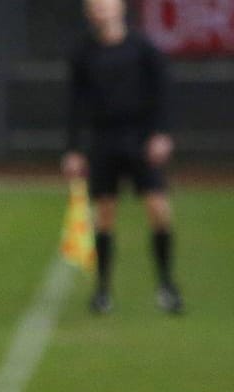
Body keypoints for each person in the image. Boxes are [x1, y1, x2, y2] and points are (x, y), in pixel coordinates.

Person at [63, 0, 182, 315]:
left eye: (105, 4)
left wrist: (161, 133)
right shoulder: (83, 53)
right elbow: (76, 103)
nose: (100, 10)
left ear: (120, 7)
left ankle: (167, 286)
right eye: (94, 6)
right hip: (104, 141)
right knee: (104, 214)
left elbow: (163, 92)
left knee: (158, 208)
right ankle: (102, 291)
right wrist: (74, 148)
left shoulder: (143, 48)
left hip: (141, 140)